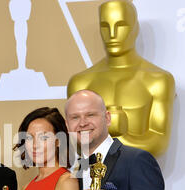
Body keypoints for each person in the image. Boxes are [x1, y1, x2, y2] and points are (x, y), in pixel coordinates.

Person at [67, 0, 175, 157]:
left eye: (121, 25)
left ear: (135, 28)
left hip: (139, 177)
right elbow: (76, 143)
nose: (112, 34)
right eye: (105, 26)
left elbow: (159, 143)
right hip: (93, 178)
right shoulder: (80, 82)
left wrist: (110, 135)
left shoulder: (158, 80)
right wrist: (115, 134)